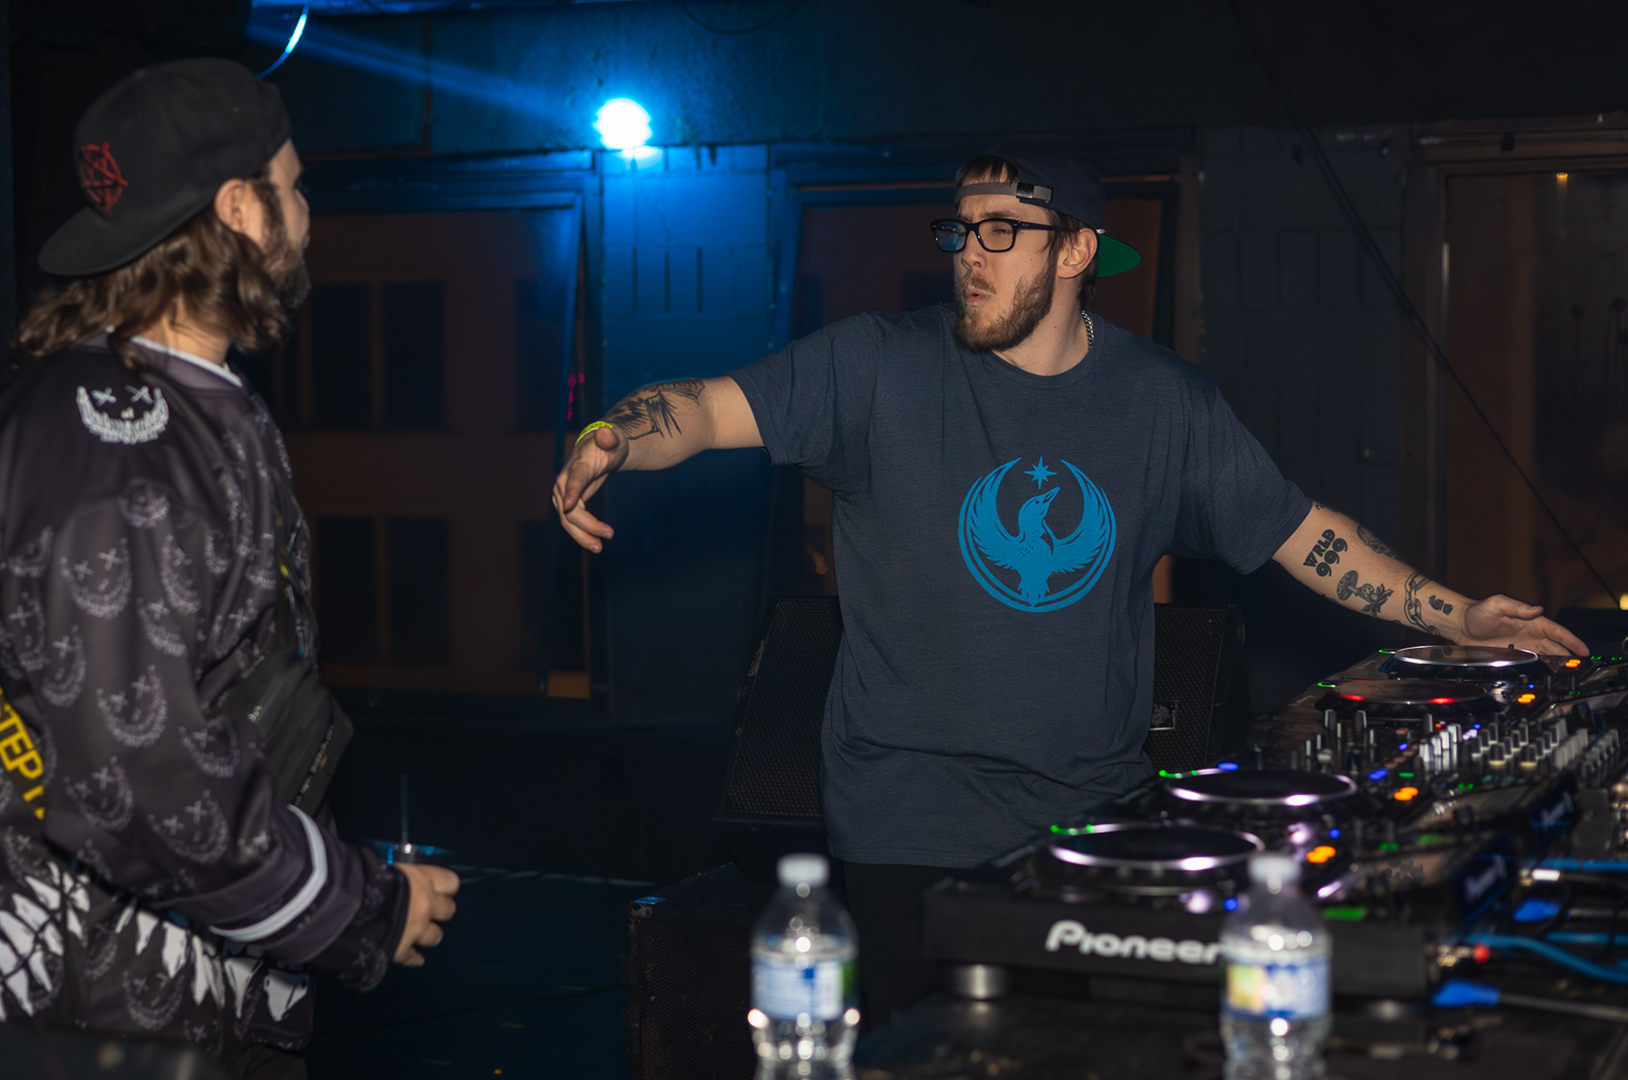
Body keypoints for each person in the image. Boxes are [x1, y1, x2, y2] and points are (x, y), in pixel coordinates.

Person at [552, 145, 1586, 1024]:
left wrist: (1461, 614)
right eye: (961, 231)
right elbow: (703, 406)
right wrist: (612, 435)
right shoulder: (876, 368)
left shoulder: (1165, 402)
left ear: (1078, 250)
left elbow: (1305, 534)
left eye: (1003, 231)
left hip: (1090, 819)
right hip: (908, 819)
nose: (971, 254)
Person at [0, 59, 458, 1077]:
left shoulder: (164, 406)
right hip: (89, 1005)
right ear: (240, 210)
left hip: (172, 988)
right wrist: (362, 909)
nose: (308, 215)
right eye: (294, 186)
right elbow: (133, 769)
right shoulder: (109, 435)